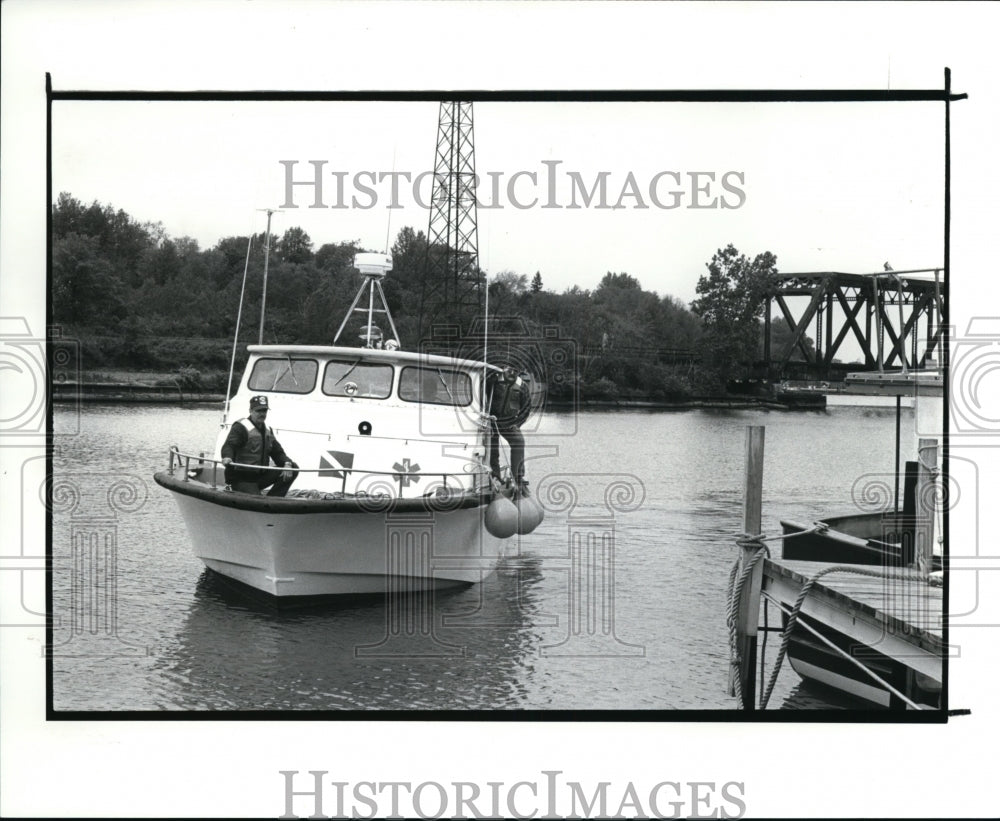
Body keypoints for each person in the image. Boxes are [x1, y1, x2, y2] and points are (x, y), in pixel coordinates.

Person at [221, 395, 298, 496]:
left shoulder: (267, 432)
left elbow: (278, 453)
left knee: (294, 468)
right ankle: (260, 502)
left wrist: (287, 464)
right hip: (241, 479)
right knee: (256, 497)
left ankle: (274, 500)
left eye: (264, 411)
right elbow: (229, 445)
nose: (262, 414)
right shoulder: (240, 427)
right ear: (250, 411)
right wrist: (227, 457)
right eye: (258, 411)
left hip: (259, 477)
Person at [487, 366, 532, 490]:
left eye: (515, 370)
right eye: (509, 370)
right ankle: (495, 474)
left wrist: (517, 424)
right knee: (492, 447)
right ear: (504, 370)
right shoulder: (492, 382)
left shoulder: (522, 386)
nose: (512, 372)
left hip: (509, 423)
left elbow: (526, 408)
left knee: (519, 441)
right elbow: (482, 397)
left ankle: (517, 476)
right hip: (492, 420)